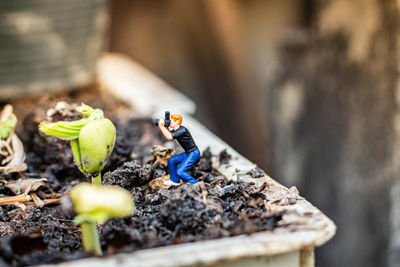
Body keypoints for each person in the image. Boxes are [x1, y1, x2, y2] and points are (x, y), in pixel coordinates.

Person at [157, 113, 200, 186]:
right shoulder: (177, 130)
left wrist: (161, 125)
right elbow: (169, 133)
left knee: (180, 171)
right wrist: (165, 125)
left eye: (171, 121)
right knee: (171, 160)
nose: (170, 122)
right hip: (188, 152)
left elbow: (169, 137)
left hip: (193, 153)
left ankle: (195, 185)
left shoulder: (182, 130)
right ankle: (175, 180)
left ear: (176, 122)